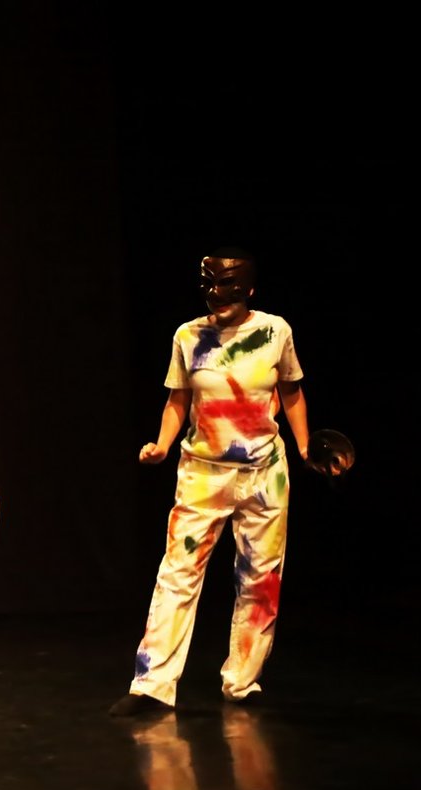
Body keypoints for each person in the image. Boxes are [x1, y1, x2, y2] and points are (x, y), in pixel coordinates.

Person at [107, 249, 323, 717]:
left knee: (260, 579)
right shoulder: (189, 336)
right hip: (203, 474)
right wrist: (162, 445)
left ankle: (243, 680)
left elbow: (291, 392)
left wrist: (306, 447)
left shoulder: (275, 331)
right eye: (209, 283)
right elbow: (177, 399)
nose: (217, 293)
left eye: (228, 284)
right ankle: (152, 684)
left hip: (264, 473)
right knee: (177, 573)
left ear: (250, 289)